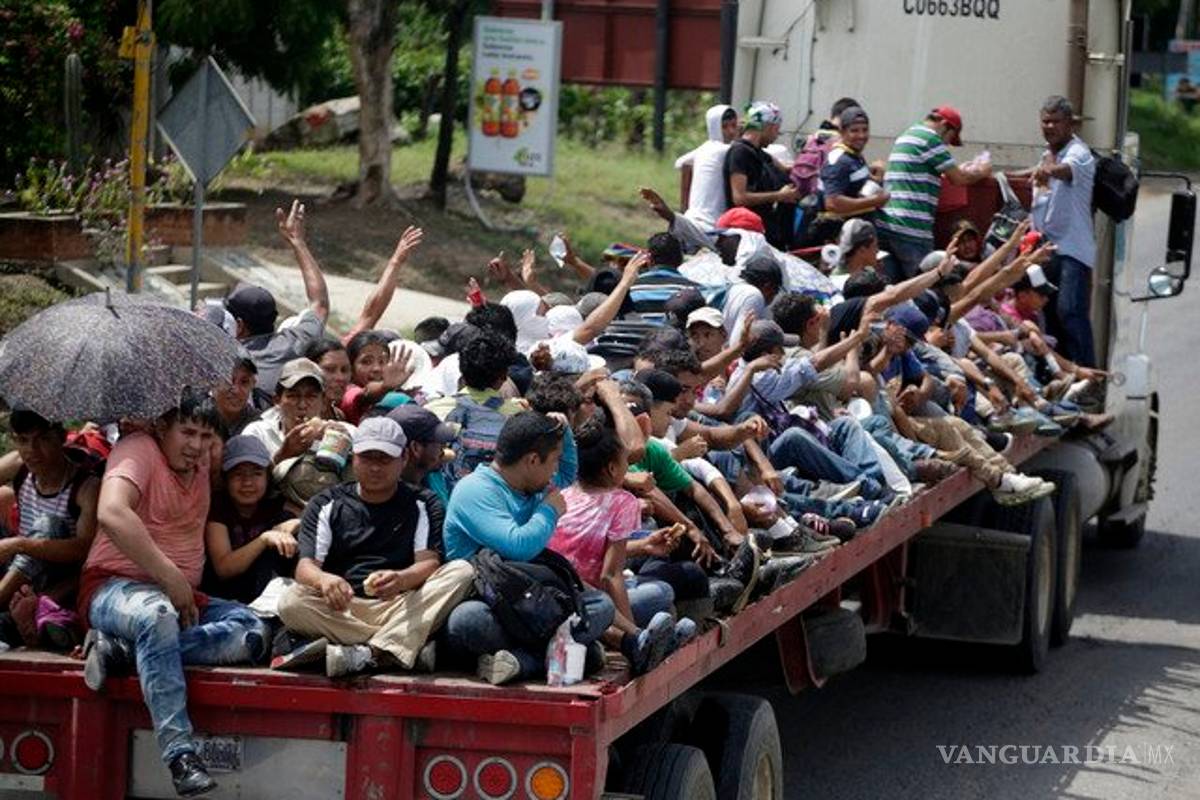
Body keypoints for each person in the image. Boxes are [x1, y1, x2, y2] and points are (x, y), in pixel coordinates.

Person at [79, 389, 269, 797]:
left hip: (177, 600)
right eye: (187, 433)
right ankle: (180, 754)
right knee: (157, 616)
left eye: (205, 436)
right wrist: (168, 576)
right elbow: (111, 512)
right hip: (115, 589)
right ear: (162, 427)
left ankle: (123, 652)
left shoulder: (201, 464)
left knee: (253, 631)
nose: (197, 446)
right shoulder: (137, 448)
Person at [275, 418, 474, 677]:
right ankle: (395, 648)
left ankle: (367, 654)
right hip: (344, 608)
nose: (375, 467)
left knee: (461, 572)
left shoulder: (423, 502)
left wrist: (401, 579)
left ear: (403, 459)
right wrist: (325, 581)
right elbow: (306, 567)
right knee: (291, 603)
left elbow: (429, 562)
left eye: (384, 459)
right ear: (354, 458)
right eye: (367, 458)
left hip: (401, 604)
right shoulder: (327, 503)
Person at [441, 412, 624, 685]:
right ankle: (563, 656)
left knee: (602, 606)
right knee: (467, 622)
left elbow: (566, 473)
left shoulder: (531, 482)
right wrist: (549, 510)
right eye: (553, 459)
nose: (556, 469)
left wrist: (566, 434)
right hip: (488, 600)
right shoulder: (475, 491)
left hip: (531, 600)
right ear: (532, 460)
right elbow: (519, 547)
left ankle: (522, 662)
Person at [0, 409, 100, 648]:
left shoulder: (86, 486)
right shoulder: (20, 464)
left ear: (61, 437)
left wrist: (20, 544)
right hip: (21, 575)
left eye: (43, 439)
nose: (32, 451)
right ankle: (18, 616)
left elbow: (84, 550)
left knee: (48, 525)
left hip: (61, 581)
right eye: (23, 441)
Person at [228, 200, 331, 395]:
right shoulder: (293, 342)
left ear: (239, 326)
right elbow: (320, 303)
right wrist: (298, 242)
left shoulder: (227, 357)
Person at [876, 107, 990, 281]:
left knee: (893, 286)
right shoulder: (930, 139)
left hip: (888, 224)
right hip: (912, 229)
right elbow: (959, 179)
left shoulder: (908, 134)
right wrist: (983, 170)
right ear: (944, 125)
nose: (946, 145)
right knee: (926, 287)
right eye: (949, 139)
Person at [1028, 95, 1098, 367]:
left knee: (1070, 311)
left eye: (1055, 121)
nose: (1049, 126)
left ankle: (1088, 374)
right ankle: (1064, 374)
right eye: (1045, 121)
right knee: (1050, 316)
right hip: (1047, 250)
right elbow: (1040, 174)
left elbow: (1065, 171)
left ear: (1069, 124)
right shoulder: (1046, 153)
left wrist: (1048, 171)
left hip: (1072, 250)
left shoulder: (1078, 152)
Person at [202, 436, 296, 606]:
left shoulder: (276, 505)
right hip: (225, 598)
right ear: (226, 478)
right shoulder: (219, 508)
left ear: (268, 477)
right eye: (238, 474)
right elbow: (224, 568)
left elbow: (311, 517)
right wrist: (264, 539)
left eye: (257, 474)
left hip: (267, 593)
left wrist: (297, 523)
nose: (247, 482)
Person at [724, 101, 798, 250]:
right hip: (748, 236)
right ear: (768, 127)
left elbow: (785, 169)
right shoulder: (740, 152)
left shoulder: (758, 153)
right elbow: (739, 197)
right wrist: (779, 196)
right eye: (776, 130)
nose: (776, 136)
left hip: (767, 231)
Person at [676, 104, 740, 227]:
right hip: (710, 222)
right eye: (724, 127)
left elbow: (681, 163)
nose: (731, 131)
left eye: (734, 125)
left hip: (691, 218)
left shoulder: (705, 148)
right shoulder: (724, 150)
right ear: (714, 127)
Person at [386, 404, 460, 506]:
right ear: (416, 448)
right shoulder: (394, 501)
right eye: (438, 441)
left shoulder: (430, 472)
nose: (443, 446)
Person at [211, 353, 261, 436]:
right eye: (229, 381)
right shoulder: (197, 416)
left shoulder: (259, 427)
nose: (236, 390)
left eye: (244, 382)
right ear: (214, 382)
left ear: (253, 384)